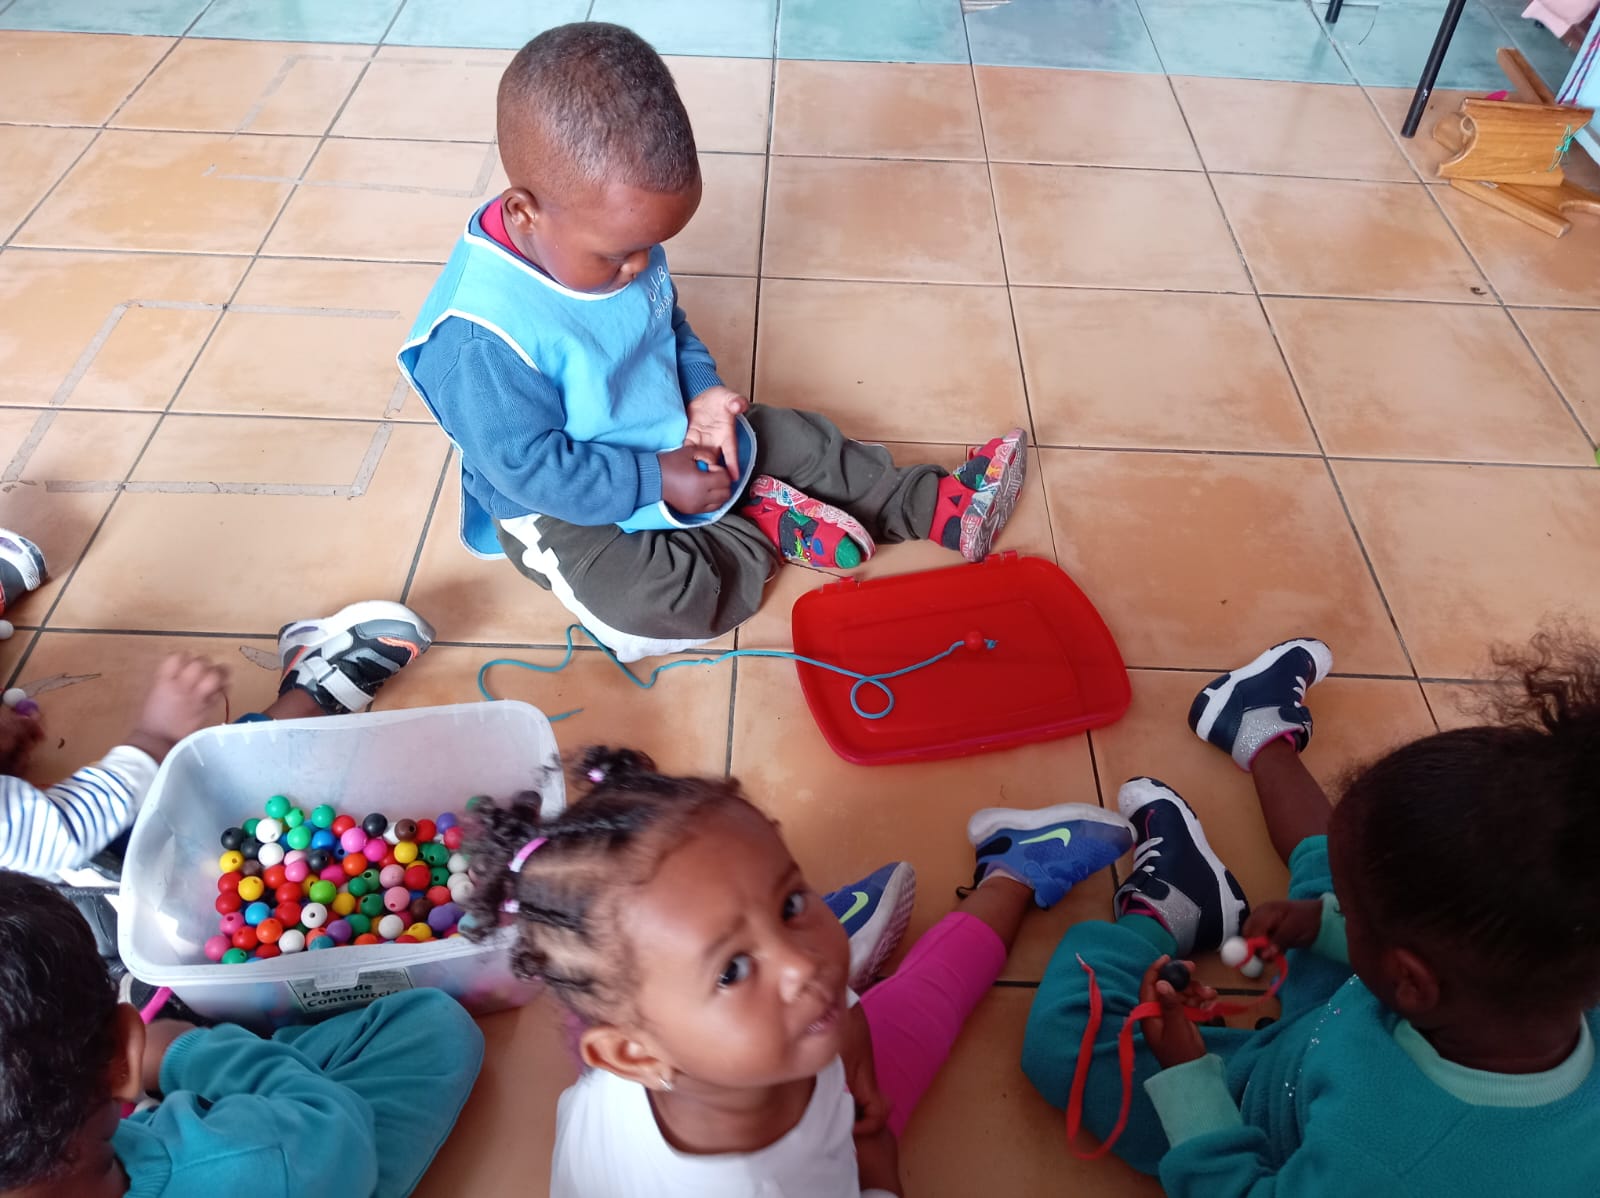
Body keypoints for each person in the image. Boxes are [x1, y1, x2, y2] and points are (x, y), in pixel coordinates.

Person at [397, 22, 1028, 662]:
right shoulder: (480, 341)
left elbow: (663, 320)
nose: (640, 266)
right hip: (565, 502)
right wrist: (654, 479)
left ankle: (935, 505)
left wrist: (701, 391)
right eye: (619, 254)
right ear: (524, 213)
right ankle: (760, 530)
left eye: (651, 247)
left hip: (662, 433)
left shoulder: (612, 241)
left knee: (797, 439)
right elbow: (533, 469)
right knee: (655, 604)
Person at [1021, 635, 1600, 1195]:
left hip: (1262, 1113)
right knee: (1362, 869)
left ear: (1410, 978)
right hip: (1356, 1016)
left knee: (1065, 1039)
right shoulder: (1544, 967)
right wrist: (1323, 927)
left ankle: (1170, 909)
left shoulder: (1387, 1169)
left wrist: (1188, 1075)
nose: (1335, 911)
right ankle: (1256, 724)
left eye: (1350, 916)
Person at [458, 746, 1132, 1197]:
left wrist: (855, 1056)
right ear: (634, 1053)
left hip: (782, 1065)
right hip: (816, 1134)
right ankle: (1014, 873)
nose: (802, 962)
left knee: (907, 1001)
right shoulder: (751, 1186)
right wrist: (879, 1173)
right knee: (929, 1005)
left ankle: (999, 868)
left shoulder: (674, 1033)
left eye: (790, 902)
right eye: (732, 969)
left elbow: (811, 995)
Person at [0, 526, 435, 973]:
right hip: (53, 924)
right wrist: (154, 737)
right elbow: (68, 831)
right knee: (184, 804)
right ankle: (307, 700)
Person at [0, 869, 483, 1198]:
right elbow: (329, 1129)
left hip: (123, 1128)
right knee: (434, 1028)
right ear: (127, 1049)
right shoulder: (265, 1156)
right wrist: (189, 1051)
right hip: (315, 1161)